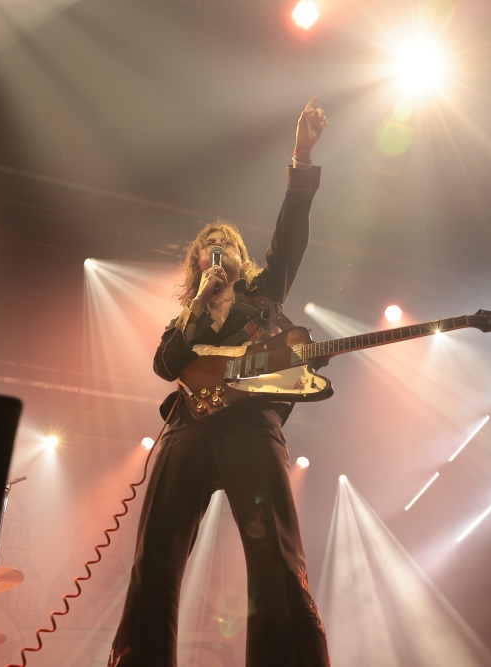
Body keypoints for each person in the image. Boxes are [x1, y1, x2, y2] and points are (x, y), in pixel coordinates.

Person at [108, 96, 331, 667]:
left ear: (241, 257)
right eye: (209, 247)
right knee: (155, 559)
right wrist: (199, 309)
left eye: (226, 243)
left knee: (273, 555)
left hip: (251, 423)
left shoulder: (263, 292)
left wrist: (302, 159)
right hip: (186, 426)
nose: (218, 249)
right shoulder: (185, 321)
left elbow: (291, 236)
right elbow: (165, 364)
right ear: (197, 266)